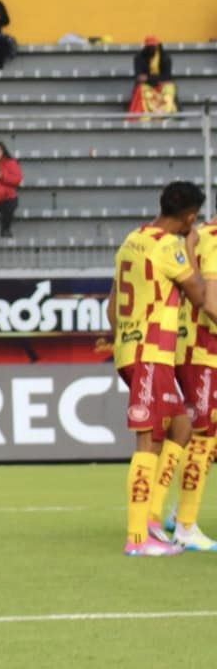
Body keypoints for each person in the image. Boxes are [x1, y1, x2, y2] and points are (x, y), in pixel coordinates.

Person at [112, 183, 217, 556]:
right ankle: (137, 537)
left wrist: (118, 337)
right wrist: (190, 250)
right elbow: (201, 296)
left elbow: (112, 302)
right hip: (150, 352)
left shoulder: (133, 239)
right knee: (149, 440)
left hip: (134, 348)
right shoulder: (168, 246)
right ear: (189, 217)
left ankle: (154, 520)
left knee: (182, 424)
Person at [131, 37, 175, 118]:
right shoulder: (138, 58)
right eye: (149, 47)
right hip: (147, 85)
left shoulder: (165, 58)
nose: (151, 49)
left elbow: (167, 77)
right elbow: (139, 77)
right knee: (142, 89)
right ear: (145, 47)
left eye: (153, 47)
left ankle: (166, 114)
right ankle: (146, 115)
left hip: (161, 85)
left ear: (157, 46)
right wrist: (156, 79)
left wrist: (148, 78)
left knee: (169, 88)